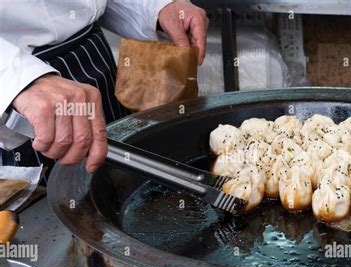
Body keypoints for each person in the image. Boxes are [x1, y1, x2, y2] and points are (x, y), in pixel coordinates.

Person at [0, 0, 208, 177]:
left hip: (96, 61)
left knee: (120, 186)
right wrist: (15, 77)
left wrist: (155, 7)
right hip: (21, 96)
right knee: (46, 213)